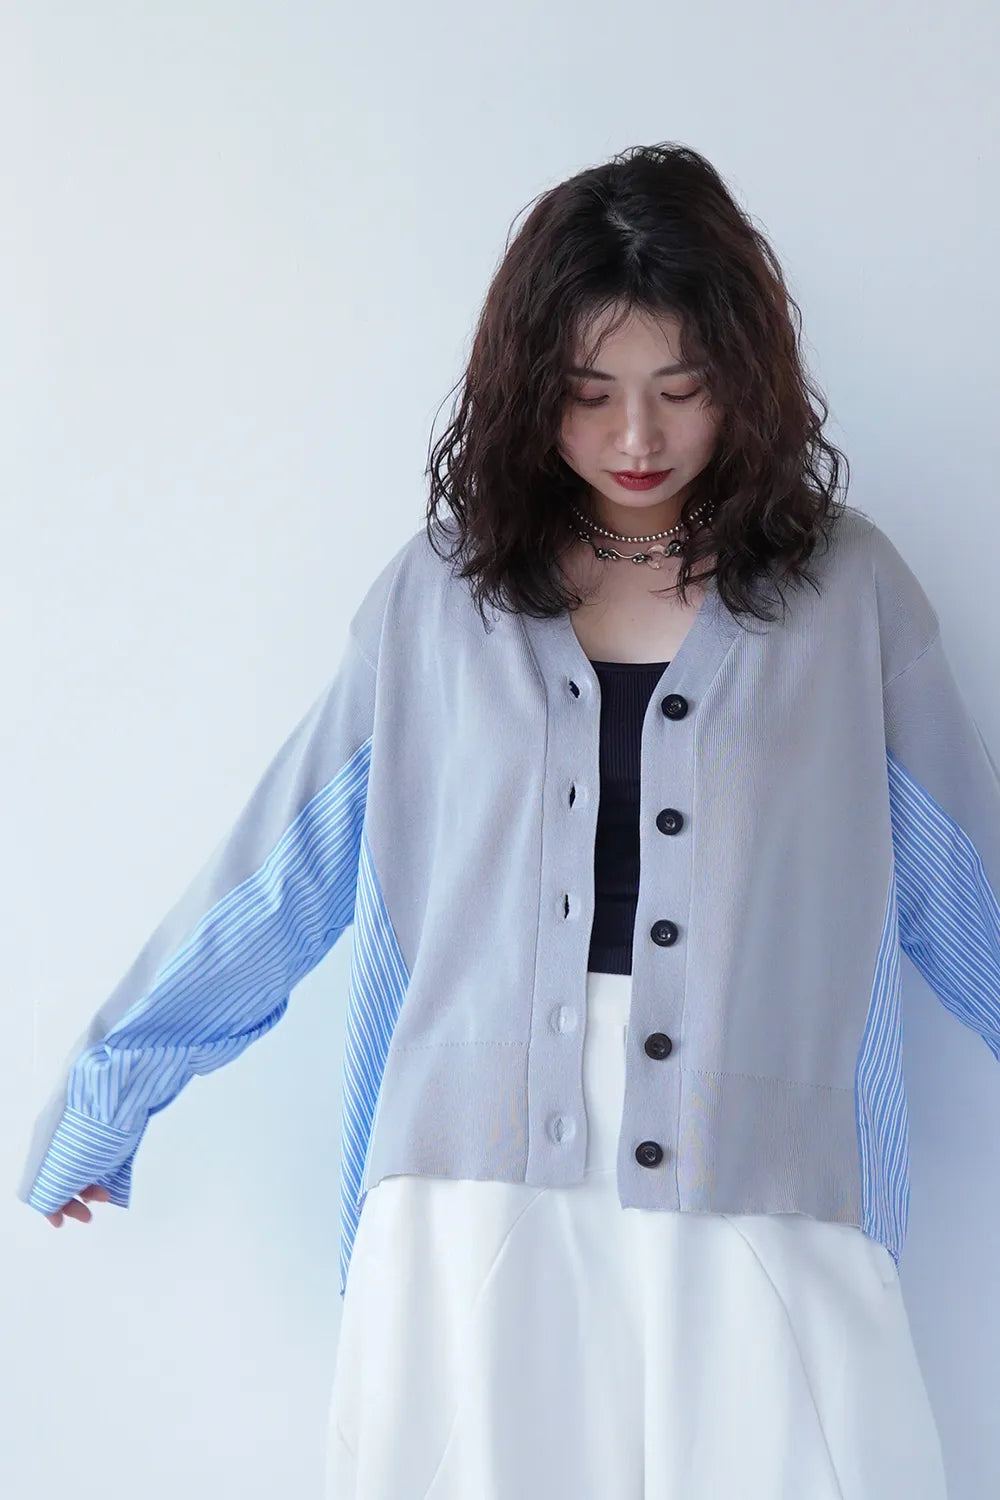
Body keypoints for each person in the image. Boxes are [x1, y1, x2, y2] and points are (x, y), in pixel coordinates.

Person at [20, 142, 985, 1498]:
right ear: (530, 390)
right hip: (476, 1182)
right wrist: (115, 1083)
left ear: (746, 379)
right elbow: (287, 867)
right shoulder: (441, 597)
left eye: (680, 391)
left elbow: (966, 881)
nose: (636, 439)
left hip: (767, 1175)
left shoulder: (847, 593)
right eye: (590, 395)